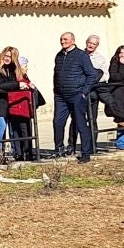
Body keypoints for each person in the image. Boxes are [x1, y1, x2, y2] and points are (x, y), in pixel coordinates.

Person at [52, 33, 100, 162]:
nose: (63, 41)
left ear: (72, 41)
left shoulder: (81, 55)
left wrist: (84, 92)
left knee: (80, 123)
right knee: (58, 122)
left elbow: (91, 75)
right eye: (61, 39)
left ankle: (85, 153)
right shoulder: (59, 55)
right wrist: (56, 90)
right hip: (61, 96)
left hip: (77, 94)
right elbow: (56, 73)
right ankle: (59, 149)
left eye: (65, 39)